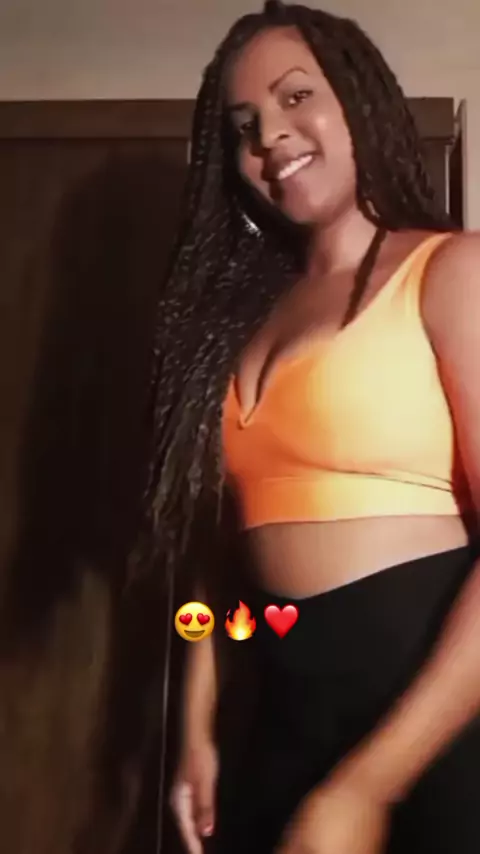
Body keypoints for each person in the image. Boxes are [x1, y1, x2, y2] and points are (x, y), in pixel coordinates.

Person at [142, 2, 480, 852]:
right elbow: (216, 558)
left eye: (297, 97)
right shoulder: (239, 321)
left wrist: (367, 788)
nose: (271, 136)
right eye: (244, 125)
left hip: (431, 719)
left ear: (359, 101)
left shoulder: (452, 271)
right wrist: (196, 730)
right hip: (281, 706)